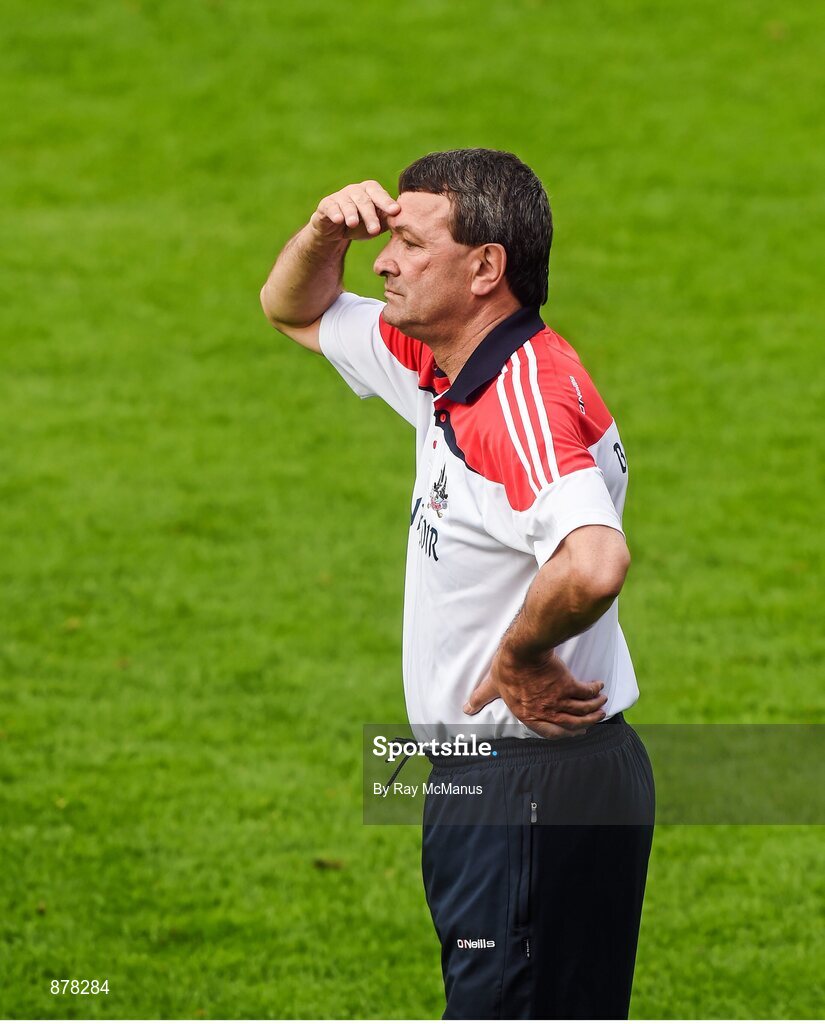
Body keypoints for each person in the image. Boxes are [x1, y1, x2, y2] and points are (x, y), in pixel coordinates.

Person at [260, 149, 655, 1020]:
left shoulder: (517, 404)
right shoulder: (441, 363)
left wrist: (520, 651)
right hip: (511, 781)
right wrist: (320, 231)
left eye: (408, 242)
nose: (382, 261)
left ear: (485, 268)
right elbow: (292, 309)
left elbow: (594, 561)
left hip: (527, 788)